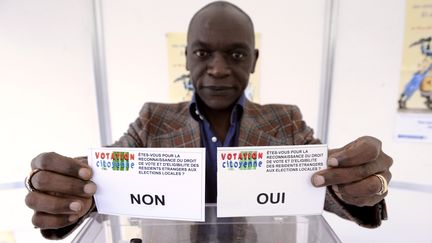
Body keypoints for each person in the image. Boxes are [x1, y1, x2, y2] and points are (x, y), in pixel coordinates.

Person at [24, 1, 392, 240]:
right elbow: (106, 181)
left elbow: (326, 186)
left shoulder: (285, 122)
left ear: (254, 60)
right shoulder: (153, 121)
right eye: (202, 53)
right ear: (186, 58)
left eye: (236, 53)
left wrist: (358, 186)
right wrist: (68, 191)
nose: (218, 69)